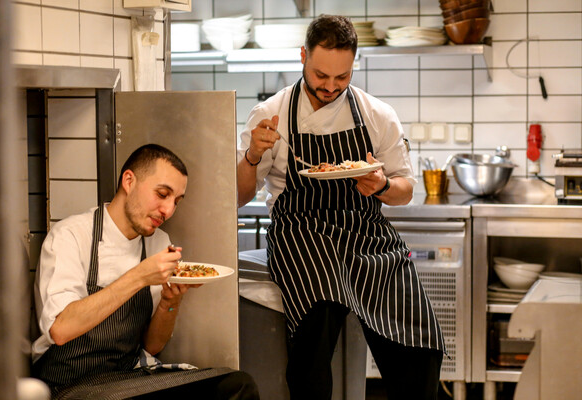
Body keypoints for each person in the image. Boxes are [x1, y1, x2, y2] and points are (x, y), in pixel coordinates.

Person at [237, 15, 444, 400]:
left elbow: (405, 190)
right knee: (319, 312)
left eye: (342, 77)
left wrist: (381, 185)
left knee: (418, 329)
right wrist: (251, 154)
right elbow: (238, 196)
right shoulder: (272, 115)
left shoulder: (376, 114)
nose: (330, 87)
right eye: (321, 76)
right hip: (301, 232)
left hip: (366, 231)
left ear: (354, 66)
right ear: (302, 56)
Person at [32, 144, 259, 399]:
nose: (168, 210)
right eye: (162, 194)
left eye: (176, 201)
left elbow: (152, 345)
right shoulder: (71, 236)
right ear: (129, 181)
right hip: (69, 384)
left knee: (237, 385)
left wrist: (170, 303)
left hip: (127, 378)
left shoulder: (158, 243)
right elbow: (60, 330)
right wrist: (140, 276)